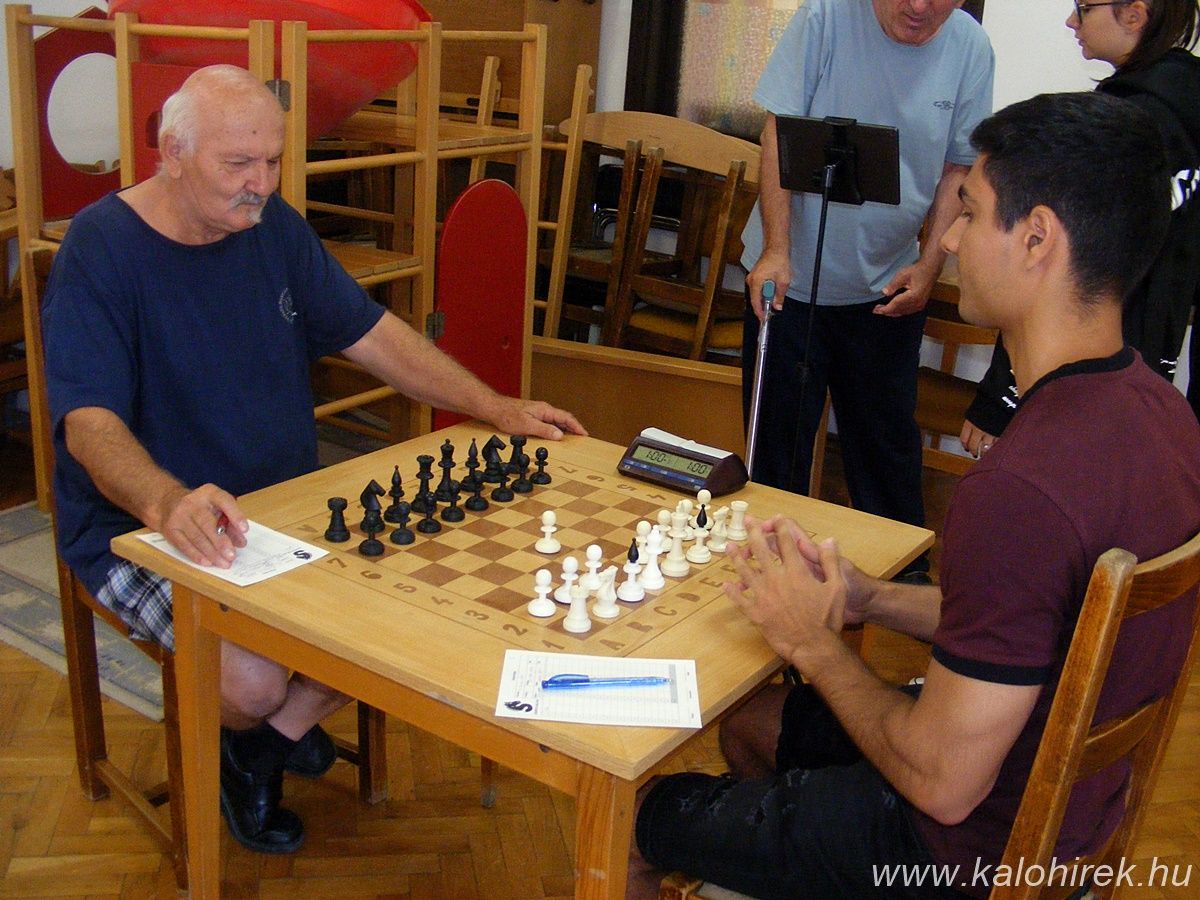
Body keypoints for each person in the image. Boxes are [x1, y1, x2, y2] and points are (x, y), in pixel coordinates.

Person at [629, 92, 1200, 899]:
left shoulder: (1021, 489)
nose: (951, 240)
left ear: (1037, 239)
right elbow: (1035, 620)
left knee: (641, 813)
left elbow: (942, 785)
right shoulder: (1166, 417)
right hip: (1074, 817)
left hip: (958, 857)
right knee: (756, 725)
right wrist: (872, 598)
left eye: (970, 212)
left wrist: (813, 643)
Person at [41, 65, 585, 856]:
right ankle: (266, 717)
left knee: (414, 613)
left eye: (272, 161)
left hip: (285, 513)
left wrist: (495, 406)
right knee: (254, 680)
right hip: (142, 527)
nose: (261, 184)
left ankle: (266, 741)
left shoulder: (273, 227)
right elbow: (88, 425)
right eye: (239, 164)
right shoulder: (101, 248)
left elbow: (374, 335)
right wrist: (164, 503)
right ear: (172, 154)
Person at [741, 0, 994, 580]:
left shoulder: (970, 47)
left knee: (887, 455)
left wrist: (929, 266)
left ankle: (906, 593)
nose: (919, 6)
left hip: (888, 290)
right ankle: (772, 585)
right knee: (777, 456)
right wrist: (777, 247)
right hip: (788, 287)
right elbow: (778, 133)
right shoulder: (825, 16)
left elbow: (958, 168)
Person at [962, 0, 1200, 456]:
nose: (1072, 21)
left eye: (1084, 8)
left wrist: (1000, 400)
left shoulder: (1119, 133)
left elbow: (1054, 269)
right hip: (1142, 365)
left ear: (1134, 14)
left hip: (1078, 369)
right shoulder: (1186, 112)